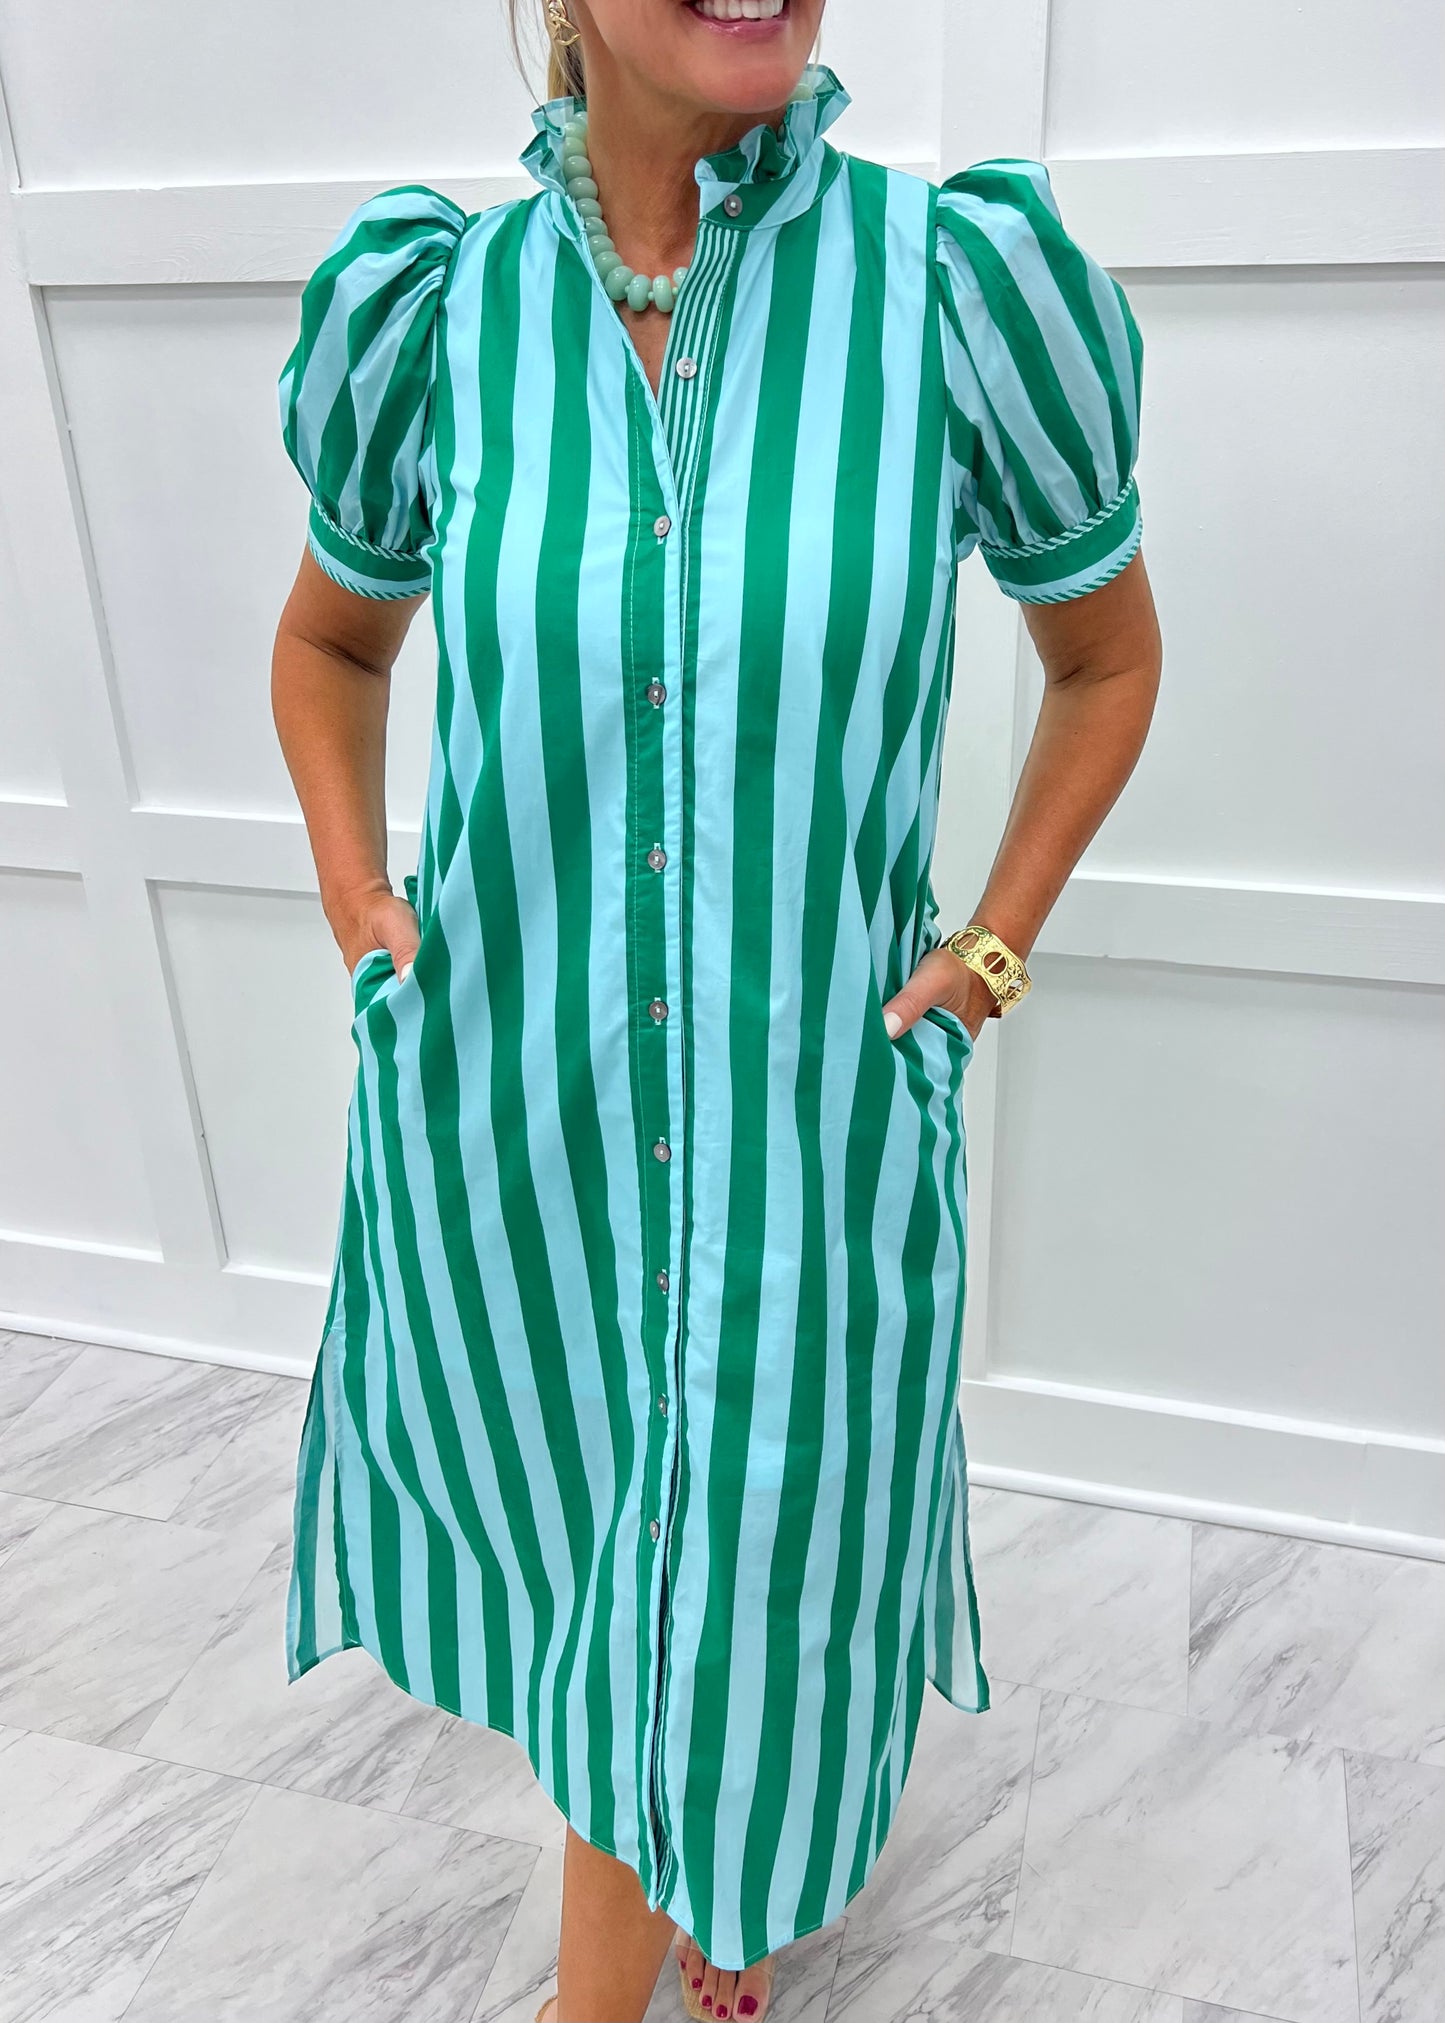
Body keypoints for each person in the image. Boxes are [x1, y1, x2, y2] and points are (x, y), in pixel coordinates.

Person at [270, 0, 1162, 2017]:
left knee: (758, 1566)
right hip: (522, 1128)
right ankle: (689, 1889)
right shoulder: (442, 314)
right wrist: (358, 906)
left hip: (806, 1132)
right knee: (608, 1566)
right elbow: (330, 643)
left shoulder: (955, 293)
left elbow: (1105, 660)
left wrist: (991, 949)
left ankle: (676, 1899)